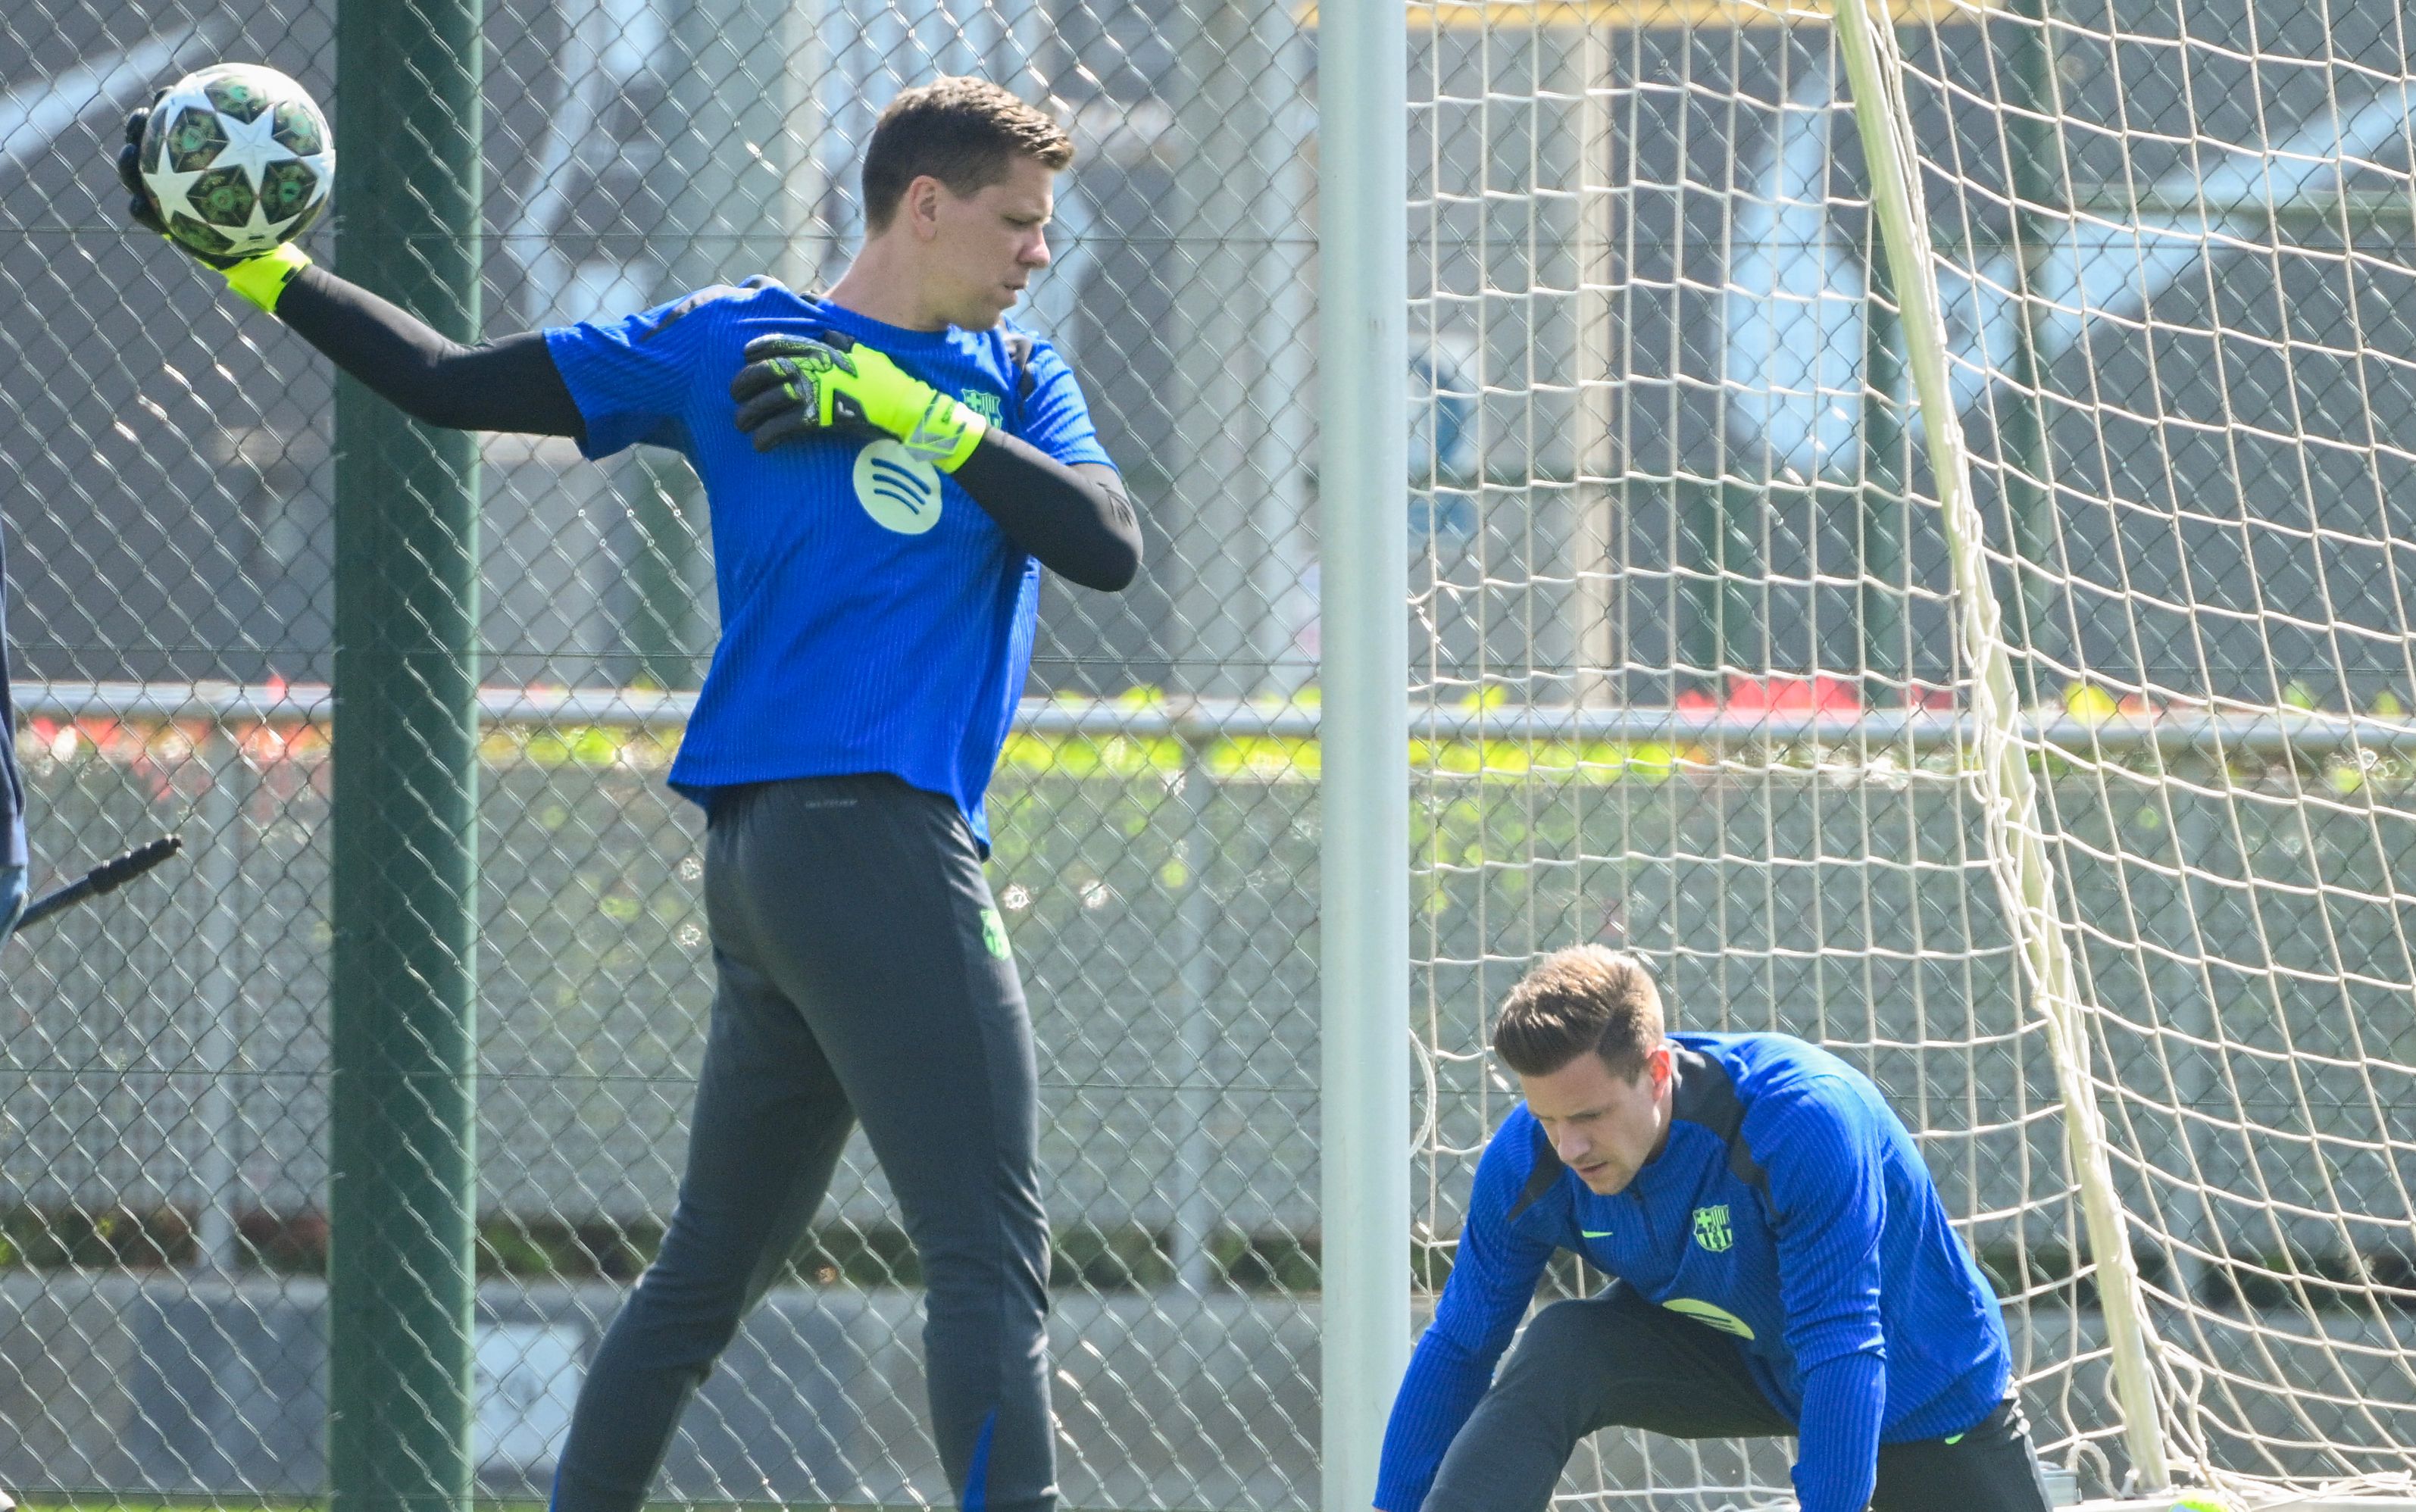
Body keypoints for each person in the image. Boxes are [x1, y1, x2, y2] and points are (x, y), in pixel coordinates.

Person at [119, 76, 1139, 1512]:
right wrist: (262, 266)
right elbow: (447, 380)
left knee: (698, 1278)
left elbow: (1104, 542)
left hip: (773, 868)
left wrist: (913, 412)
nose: (1039, 251)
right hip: (871, 851)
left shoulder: (1013, 381)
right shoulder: (730, 339)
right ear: (925, 206)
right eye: (1018, 223)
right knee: (985, 1253)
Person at [1377, 945, 2047, 1512]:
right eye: (1547, 1118)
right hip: (1745, 1359)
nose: (1568, 1147)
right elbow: (1462, 1344)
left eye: (1588, 1116)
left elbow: (1842, 1342)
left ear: (1658, 1070)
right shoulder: (1528, 1159)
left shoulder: (1798, 1120)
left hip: (1919, 1387)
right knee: (1565, 1344)